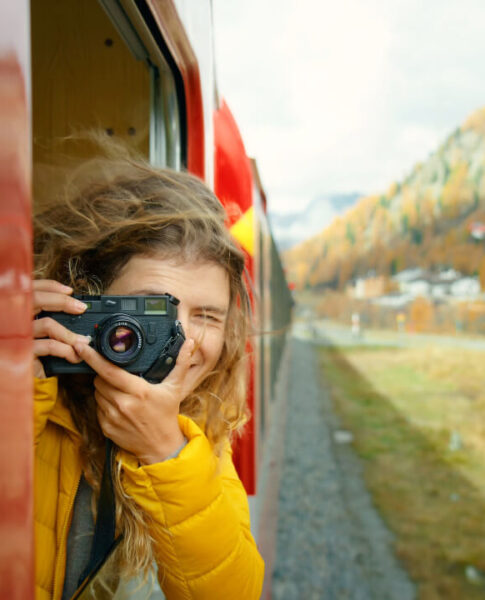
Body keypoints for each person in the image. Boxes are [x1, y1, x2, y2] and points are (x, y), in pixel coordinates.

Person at [33, 156, 264, 599]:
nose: (181, 342)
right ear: (86, 306)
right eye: (151, 312)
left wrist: (166, 453)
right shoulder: (30, 393)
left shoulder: (200, 435)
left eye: (207, 317)